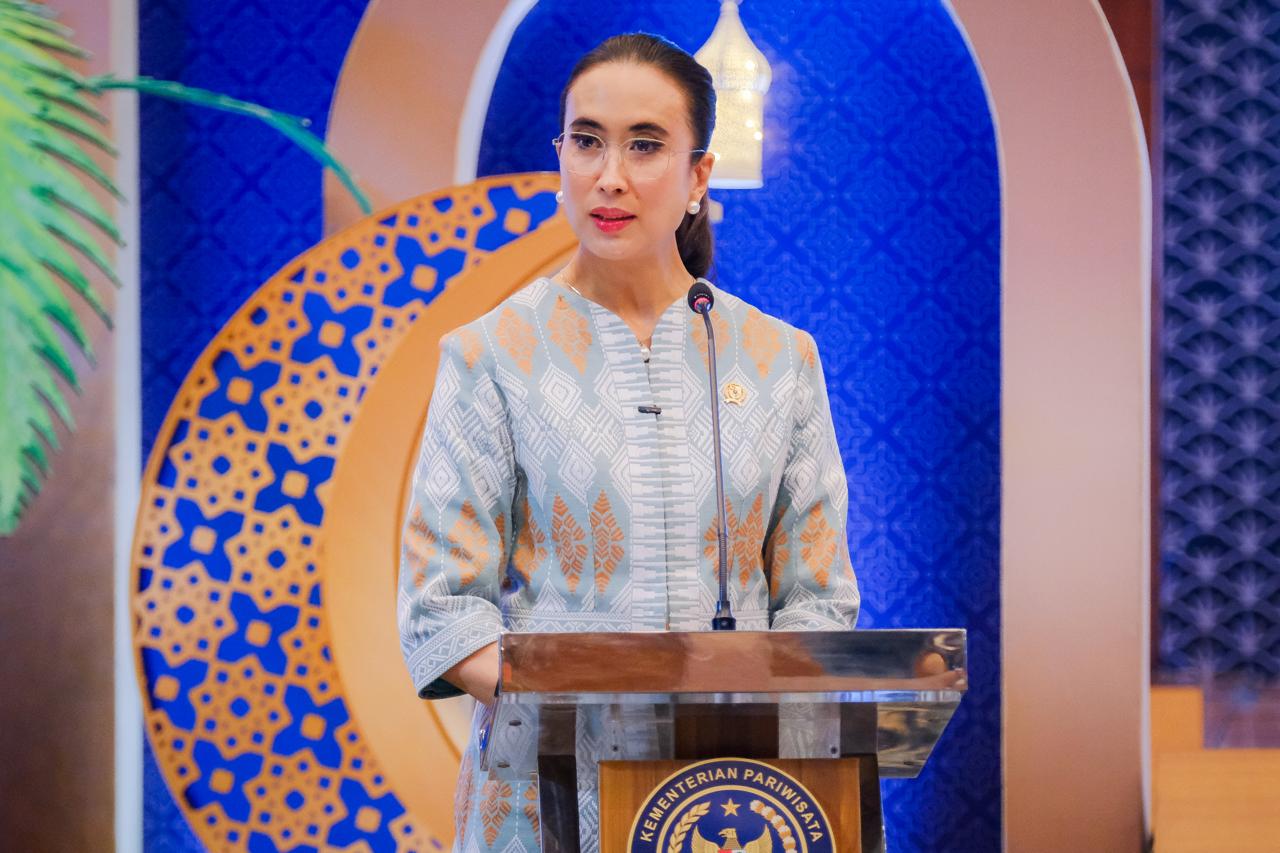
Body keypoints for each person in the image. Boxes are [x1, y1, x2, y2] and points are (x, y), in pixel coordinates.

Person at [397, 32, 859, 852]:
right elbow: (442, 606)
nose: (609, 174)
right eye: (587, 141)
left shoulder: (780, 360)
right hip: (542, 802)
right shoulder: (490, 354)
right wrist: (582, 710)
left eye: (645, 145)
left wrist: (750, 713)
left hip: (731, 800)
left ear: (698, 177)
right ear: (562, 159)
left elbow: (817, 599)